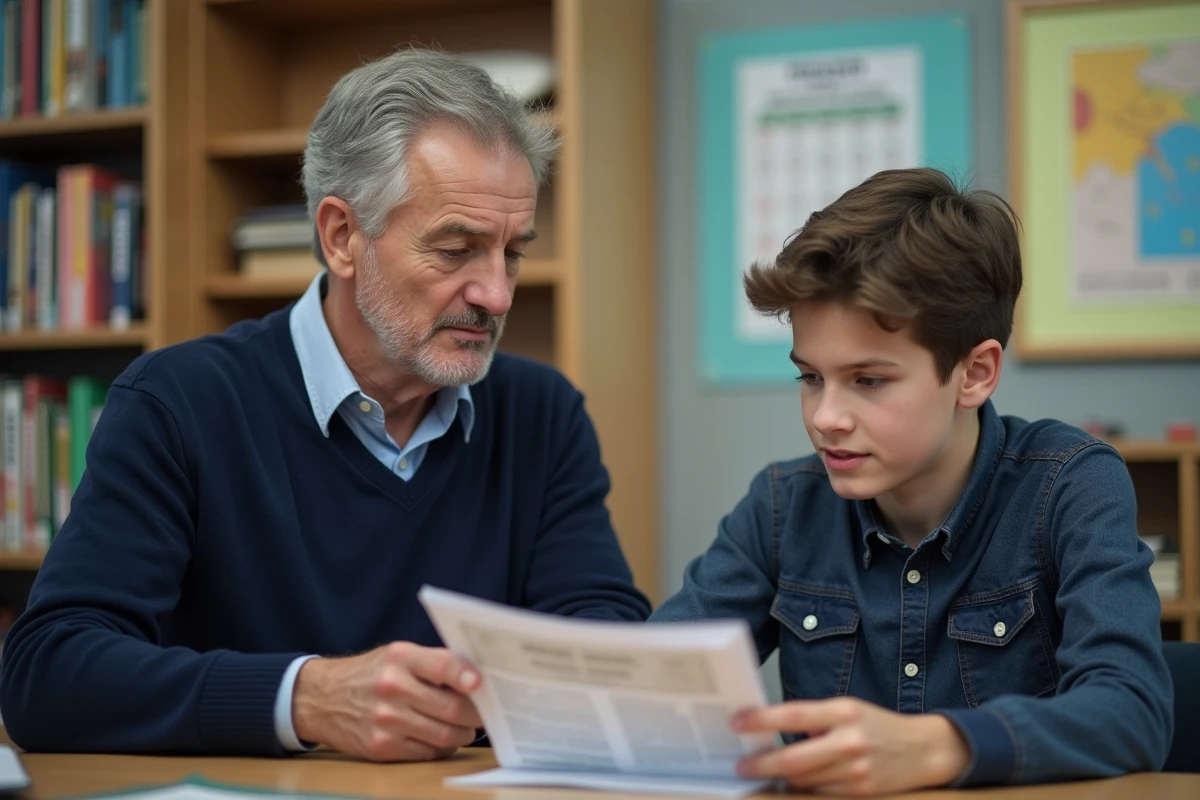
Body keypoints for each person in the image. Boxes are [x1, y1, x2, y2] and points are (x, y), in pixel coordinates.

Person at [0, 47, 650, 760]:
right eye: (456, 249)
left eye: (512, 252)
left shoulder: (541, 413)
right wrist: (305, 698)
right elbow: (48, 674)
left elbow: (603, 646)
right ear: (342, 237)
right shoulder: (178, 403)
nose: (495, 294)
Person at [651, 168, 1173, 794]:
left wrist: (942, 747)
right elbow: (652, 683)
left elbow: (1133, 712)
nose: (825, 418)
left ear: (975, 373)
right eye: (810, 377)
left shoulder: (1070, 484)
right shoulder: (781, 506)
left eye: (868, 380)